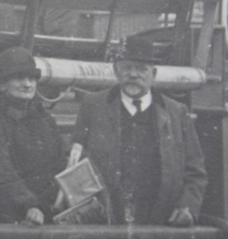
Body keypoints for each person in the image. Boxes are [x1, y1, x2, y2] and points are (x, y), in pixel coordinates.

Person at [72, 35, 206, 226]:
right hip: (107, 221)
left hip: (160, 221)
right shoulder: (93, 106)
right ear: (116, 71)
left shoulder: (176, 112)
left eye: (142, 69)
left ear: (154, 73)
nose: (133, 74)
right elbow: (75, 160)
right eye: (127, 67)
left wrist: (188, 207)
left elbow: (195, 171)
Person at [0, 46, 65, 225]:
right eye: (19, 77)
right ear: (2, 84)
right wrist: (29, 205)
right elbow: (1, 172)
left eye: (32, 78)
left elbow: (60, 161)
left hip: (45, 213)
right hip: (7, 215)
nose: (27, 84)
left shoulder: (46, 120)